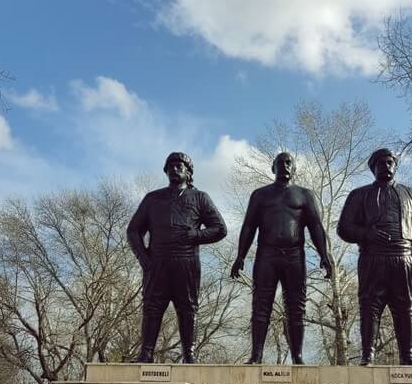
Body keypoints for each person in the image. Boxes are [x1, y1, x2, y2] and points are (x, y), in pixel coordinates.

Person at [336, 148, 412, 365]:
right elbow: (343, 228)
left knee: (405, 308)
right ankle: (368, 355)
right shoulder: (359, 194)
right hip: (372, 258)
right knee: (369, 306)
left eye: (390, 162)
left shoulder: (411, 195)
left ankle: (407, 356)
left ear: (395, 166)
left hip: (402, 258)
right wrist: (366, 233)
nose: (386, 166)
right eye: (381, 163)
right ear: (373, 167)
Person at [231, 152, 333, 364]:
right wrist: (240, 256)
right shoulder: (260, 195)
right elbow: (248, 226)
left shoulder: (305, 195)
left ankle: (297, 357)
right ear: (273, 167)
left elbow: (316, 227)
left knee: (296, 307)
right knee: (260, 305)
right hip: (266, 255)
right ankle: (256, 355)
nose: (285, 166)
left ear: (294, 169)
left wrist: (325, 255)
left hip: (294, 256)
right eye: (280, 162)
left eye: (289, 163)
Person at [127, 152, 227, 363]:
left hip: (186, 262)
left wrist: (196, 235)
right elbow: (133, 230)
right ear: (166, 170)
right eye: (170, 166)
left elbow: (219, 228)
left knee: (188, 307)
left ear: (189, 171)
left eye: (180, 165)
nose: (175, 169)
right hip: (158, 263)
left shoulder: (199, 197)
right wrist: (144, 258)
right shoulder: (153, 198)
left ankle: (189, 354)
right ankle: (146, 353)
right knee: (152, 307)